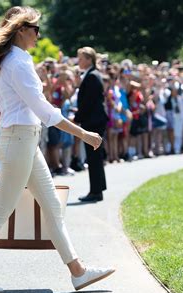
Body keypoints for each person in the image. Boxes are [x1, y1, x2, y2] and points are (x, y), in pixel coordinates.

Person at [0, 6, 115, 293]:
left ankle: (77, 272)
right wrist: (82, 133)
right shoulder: (17, 62)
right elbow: (44, 109)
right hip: (19, 140)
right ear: (21, 30)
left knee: (52, 208)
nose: (38, 34)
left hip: (24, 140)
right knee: (0, 213)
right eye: (35, 29)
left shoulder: (14, 59)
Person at [74, 46, 108, 202]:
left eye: (81, 58)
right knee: (96, 157)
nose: (78, 61)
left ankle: (95, 191)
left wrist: (77, 117)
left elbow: (88, 103)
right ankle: (97, 189)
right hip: (95, 120)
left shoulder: (92, 76)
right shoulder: (92, 75)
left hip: (93, 121)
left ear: (89, 59)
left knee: (93, 157)